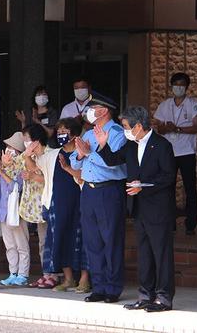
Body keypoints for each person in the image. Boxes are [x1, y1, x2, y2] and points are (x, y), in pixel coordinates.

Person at [94, 106, 176, 312]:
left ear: (138, 126)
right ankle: (145, 295)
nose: (125, 131)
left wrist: (144, 186)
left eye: (126, 126)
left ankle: (164, 297)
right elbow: (114, 161)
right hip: (139, 208)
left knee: (161, 254)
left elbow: (168, 177)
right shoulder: (131, 145)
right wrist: (103, 144)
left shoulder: (162, 145)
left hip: (158, 208)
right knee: (145, 253)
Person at [70, 92, 127, 303]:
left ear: (104, 111)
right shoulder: (88, 134)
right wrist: (79, 154)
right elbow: (75, 162)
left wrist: (89, 153)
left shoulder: (117, 133)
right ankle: (99, 286)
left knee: (111, 240)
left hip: (109, 190)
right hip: (89, 191)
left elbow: (114, 163)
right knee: (92, 241)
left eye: (93, 108)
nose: (89, 111)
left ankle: (113, 287)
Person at [28, 118, 90, 294]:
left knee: (82, 239)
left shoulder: (83, 153)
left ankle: (84, 279)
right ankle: (68, 278)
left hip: (80, 202)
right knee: (60, 239)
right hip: (58, 202)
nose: (61, 134)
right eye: (59, 131)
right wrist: (27, 155)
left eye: (65, 131)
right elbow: (34, 168)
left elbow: (84, 176)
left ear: (75, 134)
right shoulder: (53, 155)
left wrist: (69, 168)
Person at [3, 124, 54, 288]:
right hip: (32, 206)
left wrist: (31, 174)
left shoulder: (50, 154)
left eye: (27, 139)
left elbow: (46, 177)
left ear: (36, 140)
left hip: (47, 204)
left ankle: (53, 275)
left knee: (48, 241)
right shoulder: (27, 154)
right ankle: (46, 274)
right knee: (42, 242)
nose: (25, 142)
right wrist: (6, 163)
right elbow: (12, 169)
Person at [0, 131, 31, 286]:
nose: (8, 150)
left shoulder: (23, 166)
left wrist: (3, 172)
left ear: (18, 152)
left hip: (17, 211)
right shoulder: (1, 163)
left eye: (12, 148)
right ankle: (13, 273)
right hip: (3, 211)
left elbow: (16, 187)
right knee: (10, 245)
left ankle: (23, 274)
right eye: (7, 147)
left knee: (21, 244)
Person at [153, 72, 197, 235]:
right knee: (168, 187)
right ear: (171, 86)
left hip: (187, 152)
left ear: (186, 87)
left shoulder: (193, 104)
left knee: (190, 187)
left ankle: (191, 224)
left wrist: (178, 129)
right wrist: (167, 128)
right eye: (176, 85)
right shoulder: (164, 105)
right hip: (169, 152)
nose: (178, 88)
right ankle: (169, 222)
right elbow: (159, 128)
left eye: (182, 85)